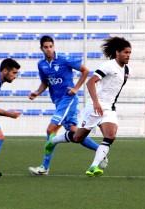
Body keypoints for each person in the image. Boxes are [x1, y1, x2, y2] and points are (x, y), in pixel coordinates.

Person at [44, 36, 132, 177]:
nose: (128, 55)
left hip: (108, 109)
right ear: (117, 52)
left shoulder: (127, 71)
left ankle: (93, 167)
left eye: (129, 53)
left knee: (110, 135)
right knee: (78, 137)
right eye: (125, 52)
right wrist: (96, 103)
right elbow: (90, 82)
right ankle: (53, 140)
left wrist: (108, 105)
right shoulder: (108, 66)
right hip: (94, 106)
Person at [28, 35, 104, 176]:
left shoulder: (64, 59)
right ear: (41, 48)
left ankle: (44, 167)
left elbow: (85, 71)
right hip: (58, 102)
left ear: (54, 46)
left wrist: (75, 88)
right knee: (76, 134)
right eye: (46, 47)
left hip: (68, 99)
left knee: (51, 130)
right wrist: (37, 93)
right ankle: (101, 151)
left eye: (51, 46)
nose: (49, 49)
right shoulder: (41, 64)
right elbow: (45, 82)